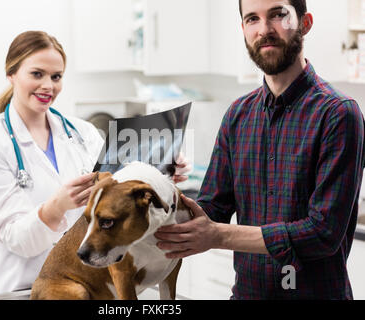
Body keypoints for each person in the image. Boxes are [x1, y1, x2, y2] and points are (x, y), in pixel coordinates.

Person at [154, 0, 365, 300]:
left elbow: (322, 233)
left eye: (278, 15)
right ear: (243, 29)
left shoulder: (339, 114)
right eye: (252, 19)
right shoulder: (238, 114)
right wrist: (160, 190)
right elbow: (211, 209)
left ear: (305, 23)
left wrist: (219, 235)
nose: (264, 30)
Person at [0, 31, 189, 294]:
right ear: (11, 74)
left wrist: (161, 173)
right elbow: (16, 239)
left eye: (56, 76)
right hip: (24, 288)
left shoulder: (83, 133)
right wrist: (57, 207)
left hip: (92, 284)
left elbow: (123, 191)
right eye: (37, 74)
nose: (48, 85)